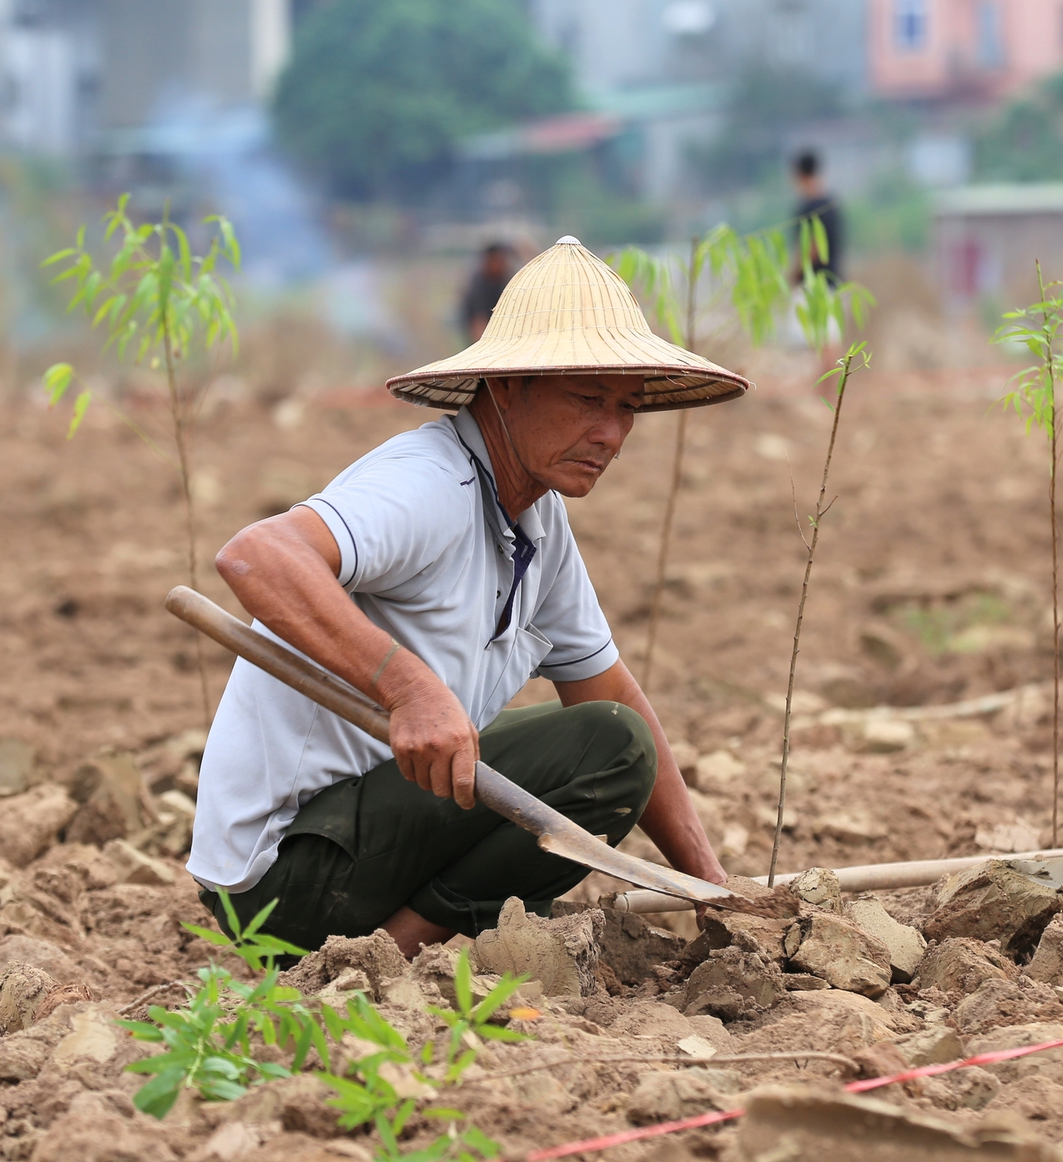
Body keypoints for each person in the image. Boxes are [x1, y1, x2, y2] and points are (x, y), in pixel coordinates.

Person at [189, 237, 747, 954]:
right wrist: (408, 688)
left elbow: (607, 685)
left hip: (367, 841)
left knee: (599, 760)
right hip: (285, 876)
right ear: (509, 387)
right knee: (609, 747)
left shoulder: (536, 519)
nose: (611, 434)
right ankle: (395, 952)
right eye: (586, 400)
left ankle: (419, 937)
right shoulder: (429, 483)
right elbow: (257, 556)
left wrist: (711, 887)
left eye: (626, 407)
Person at [790, 148, 845, 287]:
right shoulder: (831, 204)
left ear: (799, 174)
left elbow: (810, 250)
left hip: (814, 287)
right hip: (834, 281)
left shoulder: (809, 208)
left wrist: (792, 277)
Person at [457, 241, 517, 342]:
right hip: (485, 336)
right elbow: (478, 322)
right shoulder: (479, 286)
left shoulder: (505, 280)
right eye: (498, 260)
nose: (503, 264)